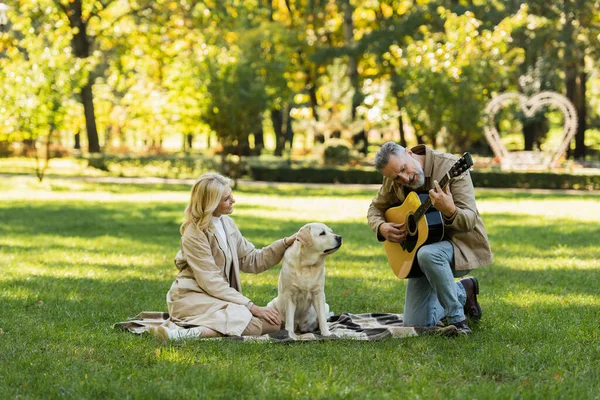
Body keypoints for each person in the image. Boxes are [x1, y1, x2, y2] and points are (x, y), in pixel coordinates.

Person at [151, 172, 297, 341]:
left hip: (216, 297)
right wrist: (252, 307)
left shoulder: (227, 223)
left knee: (273, 322)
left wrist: (285, 243)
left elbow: (252, 260)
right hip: (192, 298)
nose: (233, 200)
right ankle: (183, 335)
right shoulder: (194, 234)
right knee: (247, 321)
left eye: (231, 195)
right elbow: (210, 281)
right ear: (210, 204)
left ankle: (198, 330)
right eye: (227, 198)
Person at [367, 142, 493, 335]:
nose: (404, 178)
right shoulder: (393, 177)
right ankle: (462, 291)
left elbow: (469, 221)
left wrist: (450, 211)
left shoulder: (451, 168)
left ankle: (457, 320)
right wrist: (381, 226)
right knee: (416, 322)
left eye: (403, 169)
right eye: (396, 177)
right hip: (419, 252)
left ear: (409, 153)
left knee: (428, 254)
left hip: (459, 246)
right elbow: (375, 208)